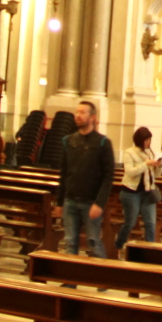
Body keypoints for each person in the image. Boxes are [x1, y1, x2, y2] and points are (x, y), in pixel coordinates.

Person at [57, 98, 115, 257]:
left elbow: (108, 176)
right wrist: (60, 202)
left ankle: (102, 281)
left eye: (82, 113)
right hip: (70, 200)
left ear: (92, 118)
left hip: (91, 202)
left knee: (93, 242)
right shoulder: (68, 141)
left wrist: (99, 203)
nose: (78, 115)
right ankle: (69, 282)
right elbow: (64, 173)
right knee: (70, 243)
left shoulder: (102, 142)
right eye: (77, 112)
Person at [117, 125, 161, 251]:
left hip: (148, 192)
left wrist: (158, 166)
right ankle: (119, 246)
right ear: (139, 140)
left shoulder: (150, 153)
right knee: (130, 223)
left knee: (150, 223)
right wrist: (146, 164)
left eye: (149, 140)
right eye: (146, 140)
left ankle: (149, 250)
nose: (148, 143)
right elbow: (130, 172)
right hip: (131, 192)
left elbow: (155, 175)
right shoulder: (129, 152)